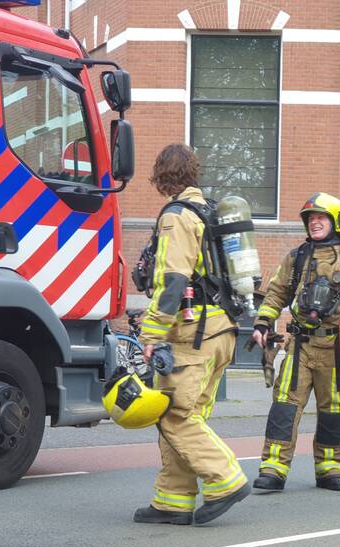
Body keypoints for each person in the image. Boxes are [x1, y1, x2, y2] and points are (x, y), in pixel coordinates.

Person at [134, 144, 250, 525]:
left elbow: (172, 281)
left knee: (174, 415)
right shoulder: (209, 210)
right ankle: (173, 500)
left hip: (192, 333)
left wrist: (150, 334)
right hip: (221, 329)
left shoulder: (177, 216)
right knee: (187, 414)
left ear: (161, 176)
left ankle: (226, 479)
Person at [251, 192, 340, 492]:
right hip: (301, 344)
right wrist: (263, 322)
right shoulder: (297, 258)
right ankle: (273, 468)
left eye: (320, 218)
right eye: (310, 218)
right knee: (285, 407)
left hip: (339, 346)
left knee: (333, 409)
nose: (314, 223)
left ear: (336, 221)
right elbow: (275, 293)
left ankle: (329, 468)